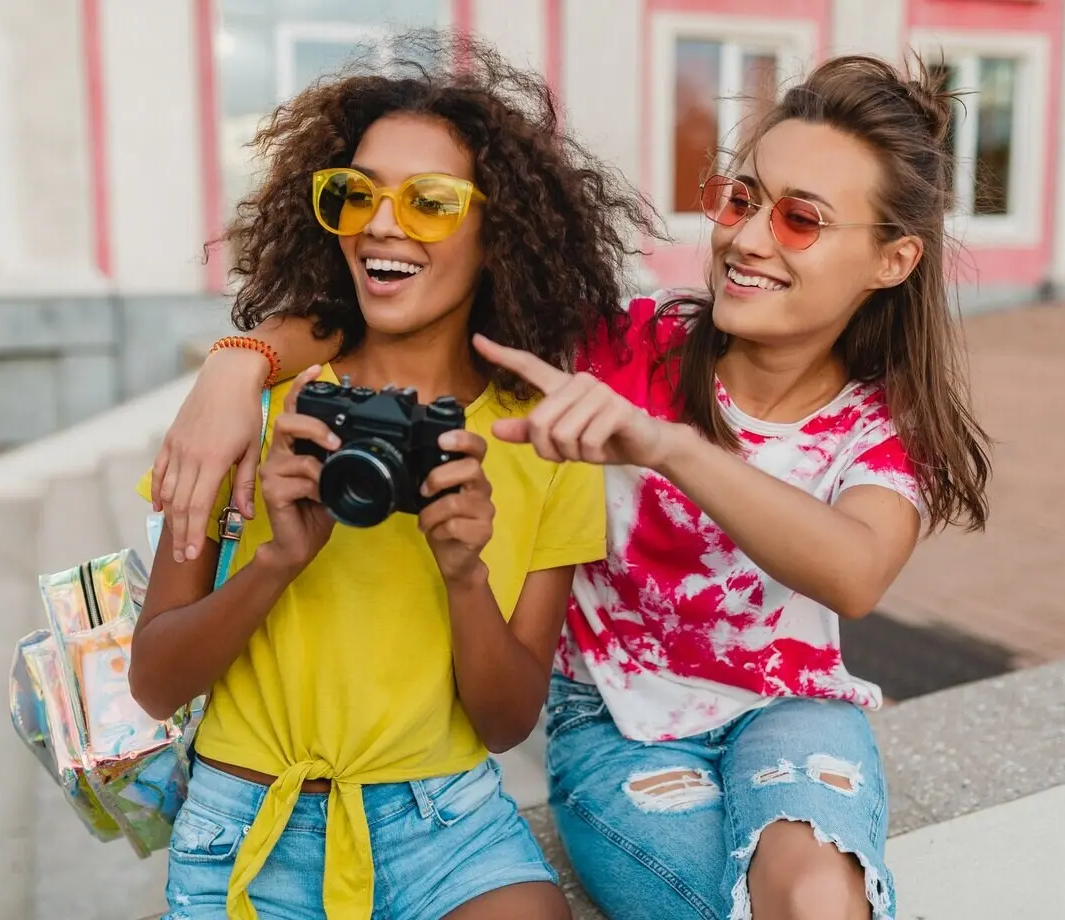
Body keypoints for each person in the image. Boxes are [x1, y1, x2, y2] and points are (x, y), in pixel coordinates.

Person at [150, 53, 991, 920]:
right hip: (618, 721)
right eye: (741, 200)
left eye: (800, 220)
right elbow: (408, 301)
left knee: (817, 891)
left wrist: (668, 448)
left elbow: (855, 571)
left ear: (893, 259)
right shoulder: (626, 348)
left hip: (790, 711)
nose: (746, 239)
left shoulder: (879, 429)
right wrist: (238, 361)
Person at [129, 31, 661, 920]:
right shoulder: (256, 408)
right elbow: (154, 682)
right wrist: (275, 560)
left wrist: (464, 575)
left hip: (446, 827)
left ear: (498, 234)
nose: (381, 223)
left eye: (430, 202)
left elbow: (505, 724)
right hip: (245, 822)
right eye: (357, 194)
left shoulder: (542, 441)